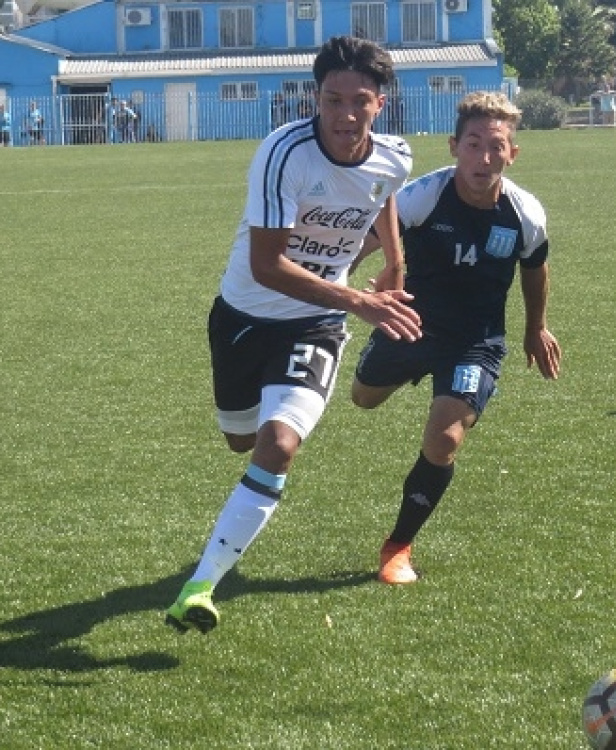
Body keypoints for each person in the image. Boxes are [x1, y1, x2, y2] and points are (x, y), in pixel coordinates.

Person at [164, 35, 422, 634]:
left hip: (315, 323)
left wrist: (395, 260)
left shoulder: (395, 155)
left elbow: (383, 192)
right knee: (241, 440)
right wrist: (361, 299)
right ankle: (225, 534)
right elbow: (267, 266)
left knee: (278, 445)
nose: (345, 115)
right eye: (333, 100)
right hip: (244, 317)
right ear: (316, 97)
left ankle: (200, 586)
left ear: (380, 104)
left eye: (359, 102)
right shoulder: (284, 153)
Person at [351, 91, 562, 584]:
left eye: (496, 147)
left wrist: (536, 327)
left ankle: (398, 547)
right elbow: (367, 240)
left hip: (475, 341)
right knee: (362, 398)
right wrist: (340, 286)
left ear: (512, 153)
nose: (484, 158)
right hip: (411, 324)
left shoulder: (525, 214)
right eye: (473, 145)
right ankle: (400, 369)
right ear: (454, 147)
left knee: (444, 439)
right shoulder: (423, 196)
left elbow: (535, 268)